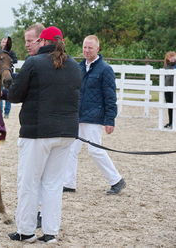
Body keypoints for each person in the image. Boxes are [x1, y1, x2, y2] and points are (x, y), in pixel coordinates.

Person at [7, 26, 81, 244]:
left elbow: (14, 95)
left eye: (37, 41)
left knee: (29, 182)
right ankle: (50, 232)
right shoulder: (75, 66)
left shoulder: (34, 63)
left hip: (38, 132)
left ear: (43, 42)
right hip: (66, 132)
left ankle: (26, 231)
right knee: (53, 184)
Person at [63, 35, 126, 195]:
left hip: (94, 116)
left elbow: (110, 96)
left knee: (95, 150)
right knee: (71, 149)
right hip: (77, 116)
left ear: (98, 48)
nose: (87, 50)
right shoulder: (79, 68)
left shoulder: (105, 69)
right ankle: (69, 182)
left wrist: (110, 119)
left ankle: (116, 180)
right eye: (85, 47)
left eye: (90, 47)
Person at [0, 37, 18, 118]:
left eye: (6, 42)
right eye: (3, 42)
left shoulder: (11, 52)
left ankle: (7, 113)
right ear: (1, 43)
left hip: (8, 76)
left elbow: (15, 60)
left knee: (8, 93)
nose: (4, 43)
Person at [163, 51, 176, 129]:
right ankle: (171, 122)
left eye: (173, 56)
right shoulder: (166, 66)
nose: (172, 58)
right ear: (167, 58)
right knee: (169, 106)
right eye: (170, 57)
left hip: (175, 89)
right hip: (167, 89)